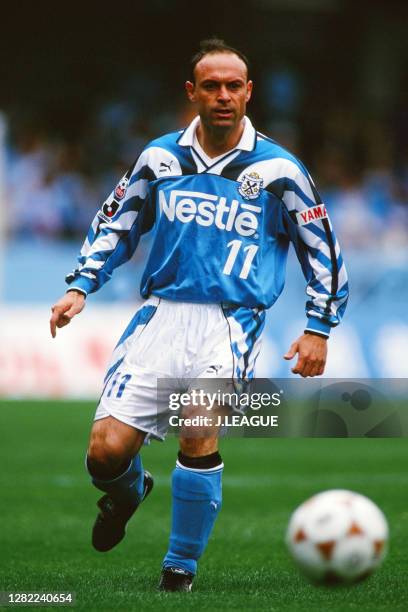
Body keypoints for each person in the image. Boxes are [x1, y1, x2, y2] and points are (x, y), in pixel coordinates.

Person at [49, 38, 348, 592]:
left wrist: (318, 326)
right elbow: (117, 222)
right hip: (160, 316)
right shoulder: (161, 157)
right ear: (192, 93)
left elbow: (321, 249)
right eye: (211, 85)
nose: (223, 96)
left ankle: (178, 570)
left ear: (249, 92)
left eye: (234, 85)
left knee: (198, 425)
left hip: (231, 320)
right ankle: (129, 491)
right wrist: (80, 286)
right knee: (104, 454)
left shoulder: (279, 169)